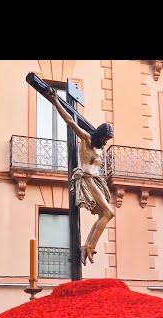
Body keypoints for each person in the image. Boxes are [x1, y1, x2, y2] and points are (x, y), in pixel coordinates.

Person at [46, 87, 114, 265]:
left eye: (108, 139)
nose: (106, 141)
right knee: (108, 213)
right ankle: (89, 246)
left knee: (104, 215)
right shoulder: (86, 139)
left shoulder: (99, 147)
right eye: (105, 137)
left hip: (98, 181)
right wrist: (56, 101)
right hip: (87, 178)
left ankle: (88, 245)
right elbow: (70, 120)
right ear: (99, 134)